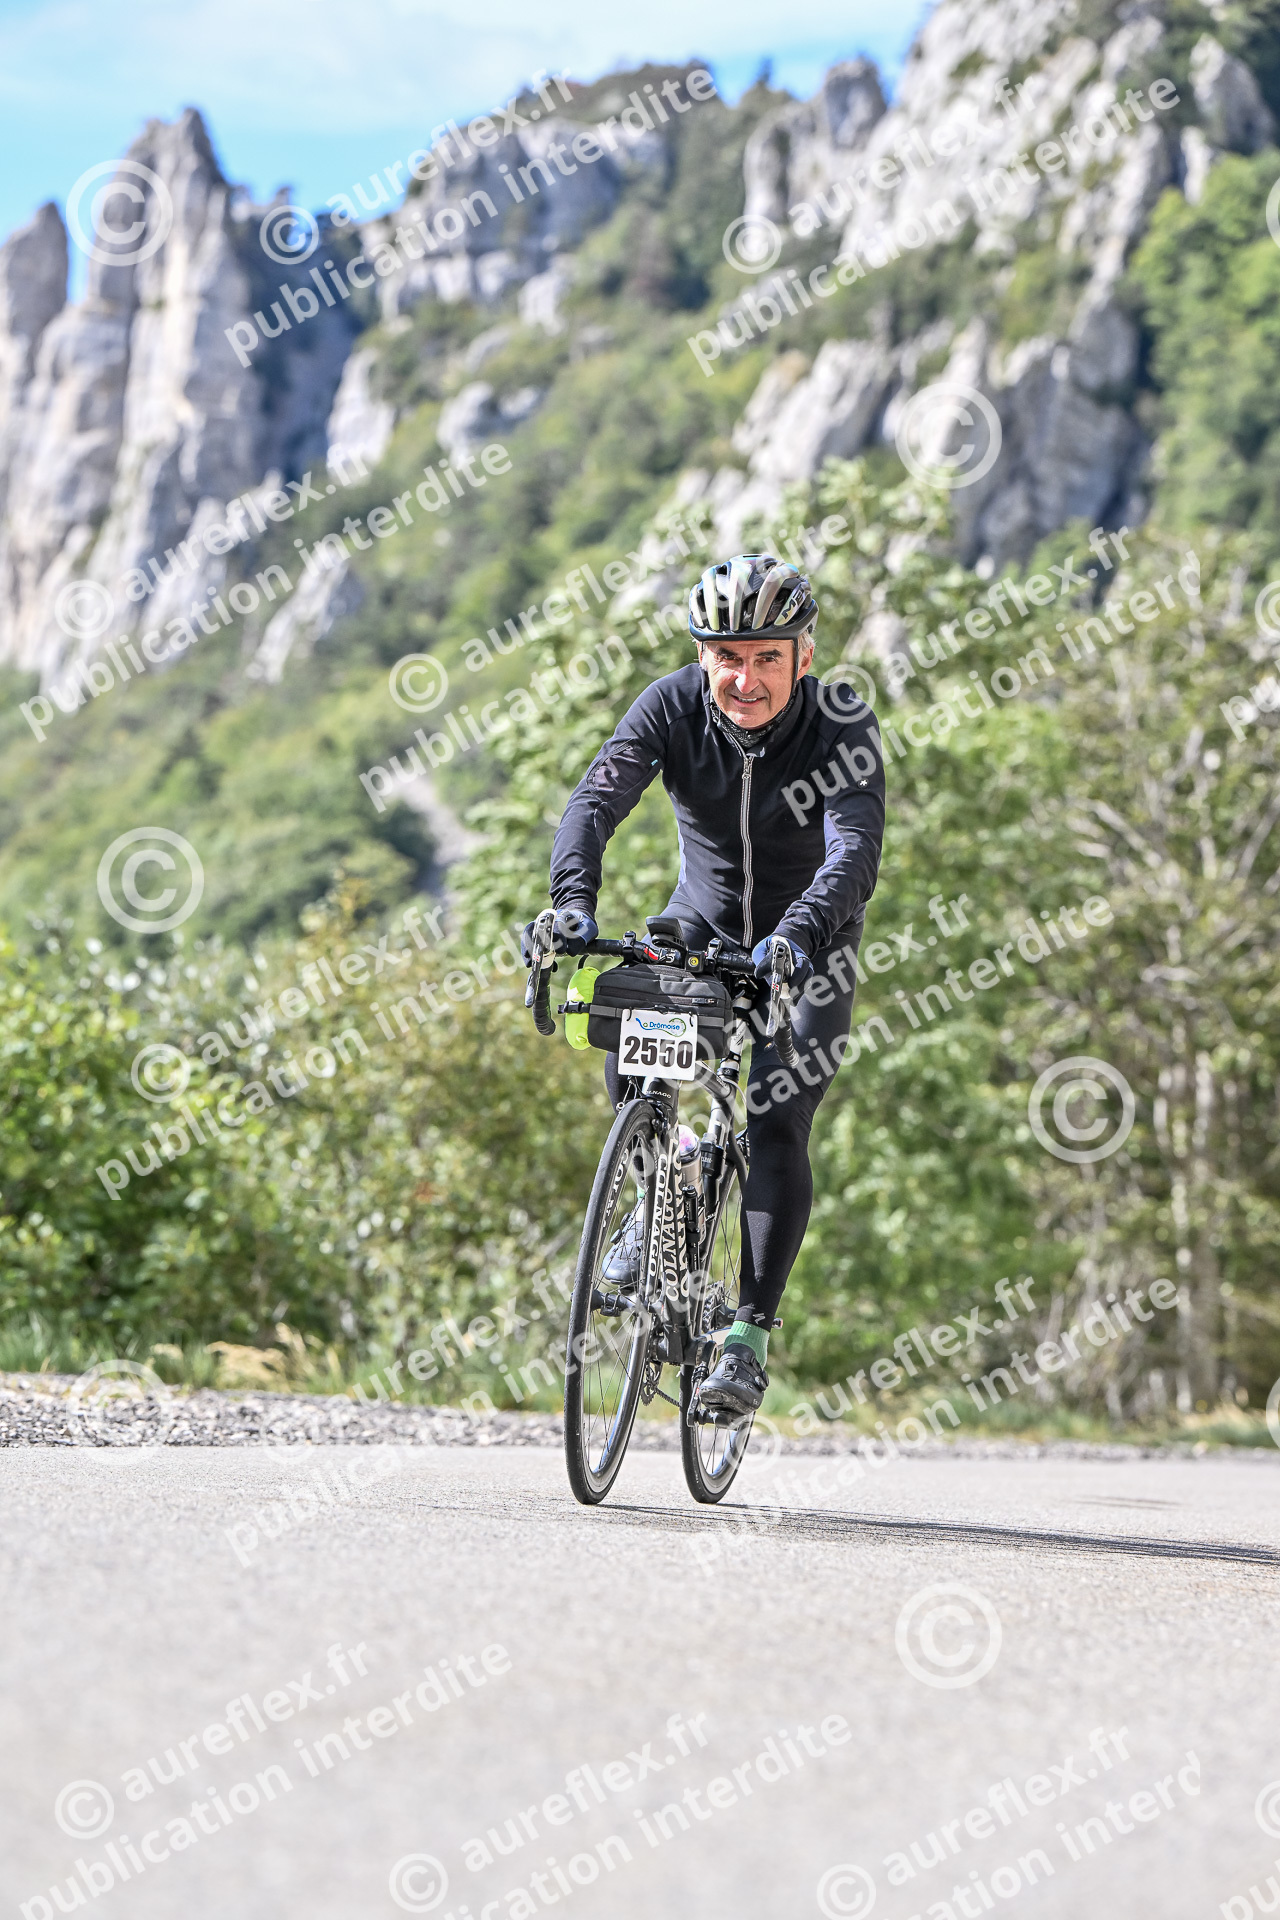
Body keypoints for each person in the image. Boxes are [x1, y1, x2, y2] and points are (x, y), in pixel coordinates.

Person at [523, 553, 885, 1415]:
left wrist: (797, 935)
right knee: (627, 1025)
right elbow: (595, 801)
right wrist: (572, 904)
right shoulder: (671, 706)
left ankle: (747, 1343)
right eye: (727, 657)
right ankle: (665, 1176)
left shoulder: (840, 722)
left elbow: (853, 852)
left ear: (803, 655)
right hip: (703, 924)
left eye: (766, 658)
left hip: (812, 941)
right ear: (701, 656)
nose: (744, 679)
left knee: (777, 1117)